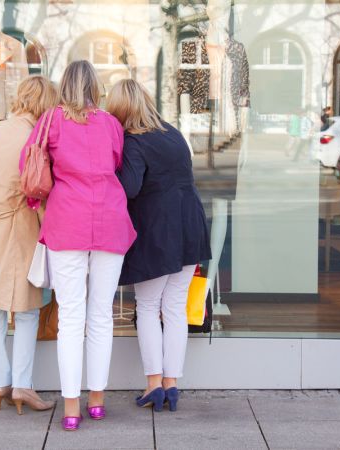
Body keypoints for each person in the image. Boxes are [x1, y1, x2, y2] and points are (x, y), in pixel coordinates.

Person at [20, 61, 136, 431]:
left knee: (71, 315)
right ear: (96, 87)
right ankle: (97, 400)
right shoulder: (111, 124)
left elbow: (29, 163)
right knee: (101, 314)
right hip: (110, 220)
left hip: (66, 222)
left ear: (64, 86)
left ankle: (72, 407)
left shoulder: (51, 121)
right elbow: (115, 163)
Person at [106, 79, 211, 412]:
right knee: (175, 307)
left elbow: (130, 188)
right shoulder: (173, 133)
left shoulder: (134, 141)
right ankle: (172, 384)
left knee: (149, 306)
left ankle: (153, 384)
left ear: (121, 110)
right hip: (189, 225)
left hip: (157, 231)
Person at [0, 75, 58, 415]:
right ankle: (22, 384)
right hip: (16, 226)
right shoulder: (36, 138)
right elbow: (39, 188)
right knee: (27, 310)